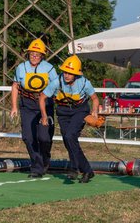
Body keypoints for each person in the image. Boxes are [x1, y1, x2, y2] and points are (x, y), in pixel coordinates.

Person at [40, 55, 99, 183]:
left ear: (76, 74)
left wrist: (94, 111)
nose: (66, 75)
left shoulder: (84, 83)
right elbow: (42, 97)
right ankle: (87, 171)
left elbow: (94, 98)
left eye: (70, 73)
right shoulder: (57, 81)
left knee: (70, 136)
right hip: (63, 112)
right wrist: (44, 116)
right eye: (65, 72)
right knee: (68, 141)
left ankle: (75, 169)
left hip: (80, 110)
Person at [10, 38, 57, 178]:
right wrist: (14, 107)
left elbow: (56, 87)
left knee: (44, 137)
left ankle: (45, 158)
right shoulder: (21, 68)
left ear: (42, 55)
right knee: (28, 137)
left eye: (37, 54)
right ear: (28, 54)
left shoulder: (49, 68)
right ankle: (37, 167)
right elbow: (15, 86)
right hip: (28, 104)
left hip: (45, 104)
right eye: (32, 53)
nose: (34, 56)